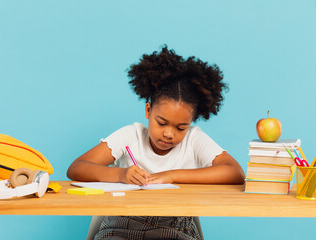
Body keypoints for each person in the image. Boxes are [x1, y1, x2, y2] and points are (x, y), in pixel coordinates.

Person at [67, 46, 245, 240]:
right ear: (148, 111)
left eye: (181, 128)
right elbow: (76, 168)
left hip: (175, 228)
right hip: (122, 225)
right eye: (161, 123)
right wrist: (121, 174)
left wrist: (172, 176)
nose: (169, 134)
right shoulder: (130, 136)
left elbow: (235, 172)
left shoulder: (194, 140)